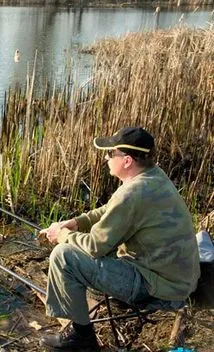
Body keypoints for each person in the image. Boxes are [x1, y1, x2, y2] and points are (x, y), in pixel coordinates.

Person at [39, 127, 200, 350]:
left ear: (126, 161)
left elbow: (95, 246)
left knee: (63, 256)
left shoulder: (133, 193)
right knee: (86, 249)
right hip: (178, 280)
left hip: (162, 290)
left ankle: (81, 337)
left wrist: (63, 235)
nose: (106, 158)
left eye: (110, 153)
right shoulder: (152, 176)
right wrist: (77, 222)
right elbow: (112, 207)